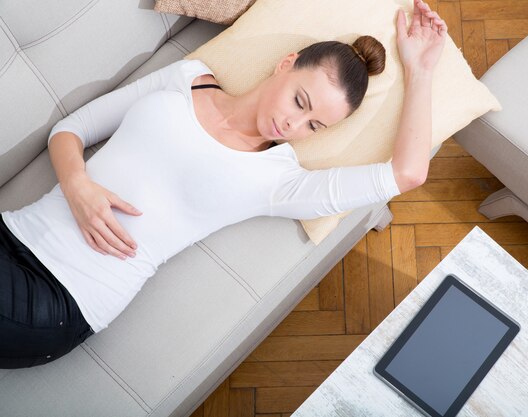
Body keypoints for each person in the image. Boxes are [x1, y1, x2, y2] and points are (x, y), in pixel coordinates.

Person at [0, 0, 446, 369]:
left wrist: (421, 71)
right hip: (14, 231)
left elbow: (406, 173)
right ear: (285, 64)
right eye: (299, 100)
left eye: (314, 125)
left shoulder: (278, 181)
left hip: (61, 299)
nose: (292, 123)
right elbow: (72, 129)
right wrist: (77, 185)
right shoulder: (185, 77)